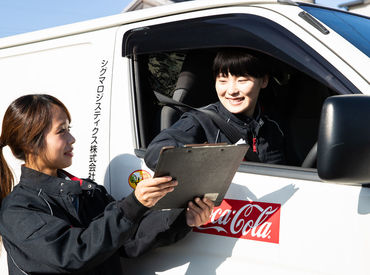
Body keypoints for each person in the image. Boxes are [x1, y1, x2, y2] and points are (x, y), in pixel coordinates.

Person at [0, 94, 214, 275]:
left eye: (69, 128)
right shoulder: (18, 209)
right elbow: (74, 253)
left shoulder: (86, 192)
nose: (72, 138)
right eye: (61, 130)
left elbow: (128, 238)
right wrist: (133, 204)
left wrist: (183, 219)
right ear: (30, 143)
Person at [145, 48, 285, 170]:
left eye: (242, 80)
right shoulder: (201, 120)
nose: (231, 90)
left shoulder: (273, 123)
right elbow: (156, 152)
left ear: (264, 81)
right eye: (222, 81)